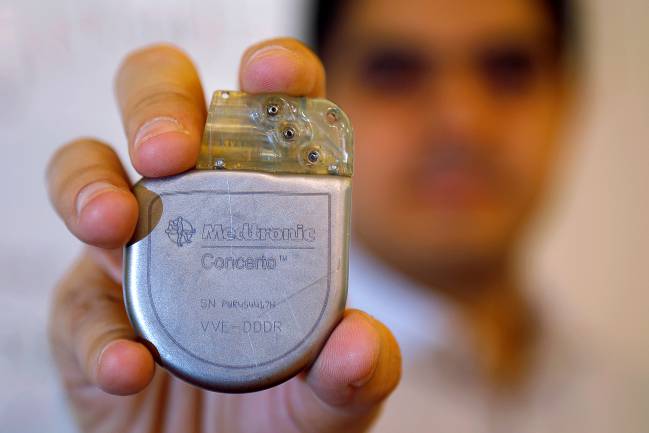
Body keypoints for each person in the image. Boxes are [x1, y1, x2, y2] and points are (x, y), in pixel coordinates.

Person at [46, 0, 641, 432]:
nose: (461, 120)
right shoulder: (217, 386)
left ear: (570, 97)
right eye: (395, 71)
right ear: (322, 104)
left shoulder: (628, 405)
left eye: (508, 69)